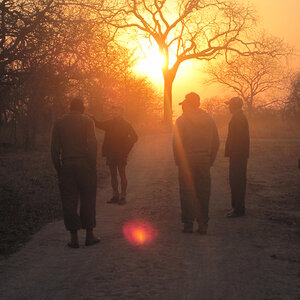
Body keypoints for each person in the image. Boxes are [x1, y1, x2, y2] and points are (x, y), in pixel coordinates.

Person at [51, 98, 100, 248]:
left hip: (67, 166)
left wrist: (59, 169)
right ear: (82, 108)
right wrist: (92, 165)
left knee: (69, 201)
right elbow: (93, 144)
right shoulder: (87, 121)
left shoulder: (59, 123)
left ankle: (74, 238)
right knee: (88, 199)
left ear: (69, 107)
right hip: (85, 165)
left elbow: (54, 150)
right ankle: (89, 235)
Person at [173, 92, 219, 234]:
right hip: (203, 161)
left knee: (186, 192)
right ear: (198, 103)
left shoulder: (181, 121)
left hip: (187, 161)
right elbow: (216, 142)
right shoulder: (209, 119)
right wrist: (209, 160)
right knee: (203, 192)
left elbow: (176, 144)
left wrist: (179, 162)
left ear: (187, 104)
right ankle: (203, 224)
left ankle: (188, 224)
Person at [93, 106, 138, 205]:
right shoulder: (109, 123)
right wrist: (92, 118)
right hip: (111, 154)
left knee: (122, 174)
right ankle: (115, 195)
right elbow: (99, 124)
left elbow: (135, 137)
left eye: (116, 111)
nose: (114, 113)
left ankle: (123, 196)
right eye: (113, 111)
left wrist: (126, 149)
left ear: (121, 112)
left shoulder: (126, 124)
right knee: (113, 175)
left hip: (121, 154)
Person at [225, 97, 250, 218]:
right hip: (238, 155)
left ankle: (238, 209)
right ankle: (237, 207)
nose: (228, 107)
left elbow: (239, 140)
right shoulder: (239, 117)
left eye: (230, 105)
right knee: (236, 181)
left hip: (238, 155)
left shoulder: (238, 118)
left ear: (235, 106)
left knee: (237, 181)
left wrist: (234, 153)